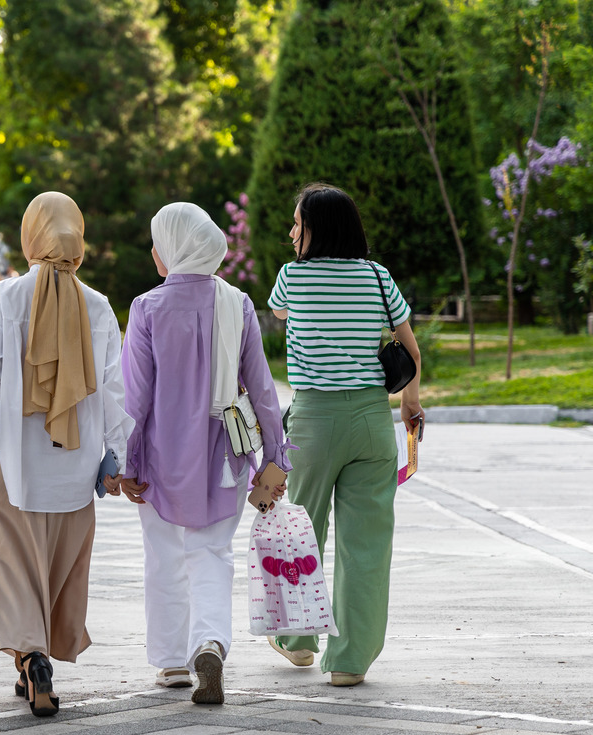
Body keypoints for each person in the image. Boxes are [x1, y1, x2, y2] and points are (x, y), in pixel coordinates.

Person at [0, 191, 134, 717]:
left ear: (31, 235)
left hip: (16, 462)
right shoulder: (99, 305)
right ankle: (45, 650)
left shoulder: (6, 296)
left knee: (15, 563)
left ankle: (31, 654)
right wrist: (117, 456)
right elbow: (115, 390)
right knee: (62, 564)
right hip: (75, 463)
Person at [119, 202, 289, 704]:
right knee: (212, 553)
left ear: (171, 250)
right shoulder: (237, 304)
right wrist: (276, 458)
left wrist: (126, 464)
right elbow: (262, 390)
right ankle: (209, 642)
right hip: (225, 460)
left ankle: (172, 662)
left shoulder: (146, 308)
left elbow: (135, 399)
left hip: (160, 461)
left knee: (164, 556)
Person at [266, 183, 424, 687]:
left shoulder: (291, 278)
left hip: (313, 420)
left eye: (298, 223)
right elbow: (410, 351)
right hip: (373, 422)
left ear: (319, 229)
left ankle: (297, 641)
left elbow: (280, 315)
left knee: (303, 528)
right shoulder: (379, 277)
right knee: (367, 544)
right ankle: (350, 660)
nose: (291, 233)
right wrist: (411, 407)